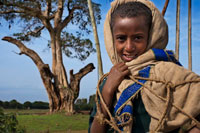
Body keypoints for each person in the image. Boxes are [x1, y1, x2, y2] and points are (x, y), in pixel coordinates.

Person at [89, 0, 200, 132]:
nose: (129, 47)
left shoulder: (171, 75)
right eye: (121, 38)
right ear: (111, 39)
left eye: (137, 38)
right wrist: (107, 92)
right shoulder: (108, 82)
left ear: (151, 36)